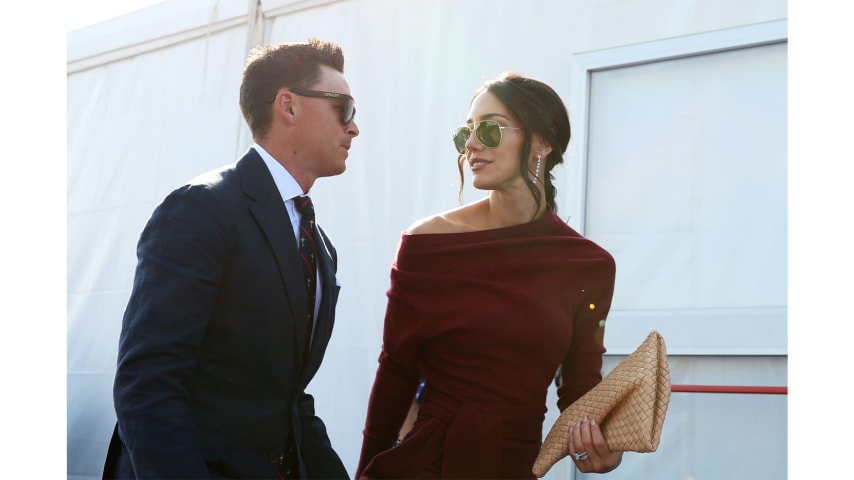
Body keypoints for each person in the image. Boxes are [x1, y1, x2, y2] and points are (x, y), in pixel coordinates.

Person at [102, 38, 359, 480]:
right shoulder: (201, 209)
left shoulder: (319, 242)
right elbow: (148, 384)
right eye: (346, 108)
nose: (354, 127)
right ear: (289, 106)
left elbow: (288, 398)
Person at [355, 72, 623, 479]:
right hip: (427, 463)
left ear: (543, 141)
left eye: (491, 129)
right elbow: (396, 371)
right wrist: (366, 471)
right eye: (467, 133)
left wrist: (601, 445)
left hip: (516, 465)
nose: (473, 144)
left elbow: (580, 388)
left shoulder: (589, 266)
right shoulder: (427, 243)